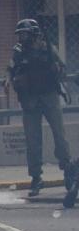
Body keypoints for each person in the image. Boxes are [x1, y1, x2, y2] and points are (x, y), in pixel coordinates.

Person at [7, 18, 79, 203]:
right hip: (30, 99)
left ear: (33, 34)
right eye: (20, 34)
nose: (22, 37)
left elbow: (62, 68)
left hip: (49, 97)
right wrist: (9, 79)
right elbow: (10, 70)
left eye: (24, 34)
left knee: (60, 136)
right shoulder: (18, 52)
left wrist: (56, 70)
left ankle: (68, 171)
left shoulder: (47, 48)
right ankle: (36, 178)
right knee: (33, 141)